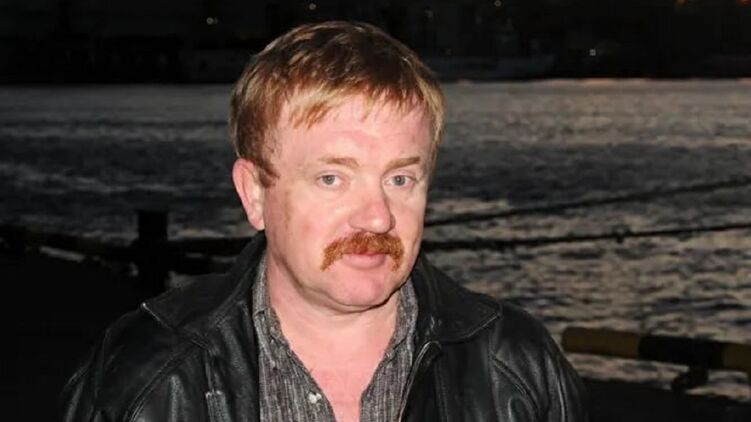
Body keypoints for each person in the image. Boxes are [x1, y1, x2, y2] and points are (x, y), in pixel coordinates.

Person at [60, 21, 587, 422]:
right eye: (332, 178)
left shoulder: (515, 365)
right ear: (254, 194)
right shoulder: (147, 374)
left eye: (400, 179)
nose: (378, 215)